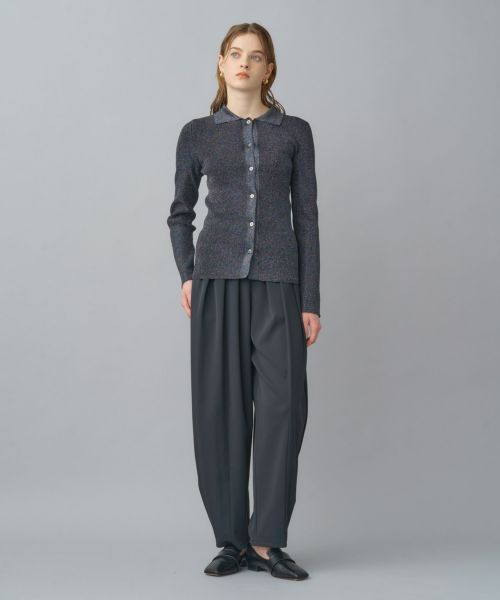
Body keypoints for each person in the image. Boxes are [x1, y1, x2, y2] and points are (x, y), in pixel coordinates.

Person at [167, 22, 321, 581]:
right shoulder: (197, 134)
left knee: (284, 409)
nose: (244, 64)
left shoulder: (294, 132)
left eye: (255, 57)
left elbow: (307, 218)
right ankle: (231, 541)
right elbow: (180, 212)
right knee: (219, 410)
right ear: (221, 62)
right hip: (216, 282)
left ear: (268, 69)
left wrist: (311, 299)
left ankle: (266, 541)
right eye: (235, 54)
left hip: (280, 284)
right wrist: (188, 273)